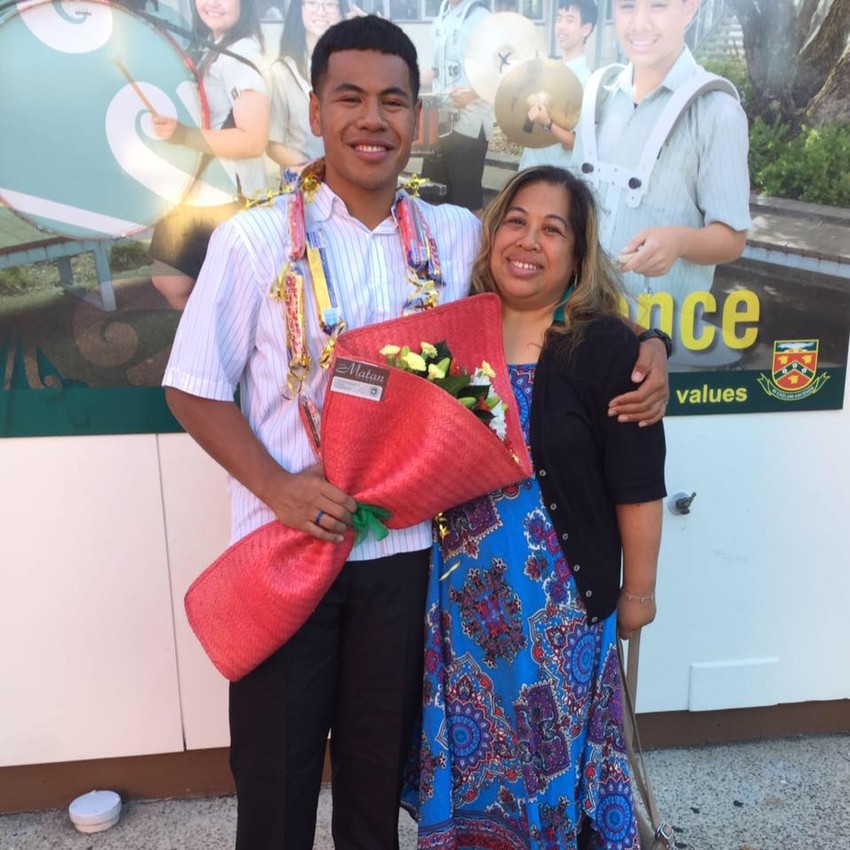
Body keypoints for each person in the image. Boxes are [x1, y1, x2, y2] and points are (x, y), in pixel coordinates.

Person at [163, 15, 666, 850]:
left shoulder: (454, 236)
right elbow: (193, 391)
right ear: (316, 110)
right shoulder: (252, 243)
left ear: (417, 118)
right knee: (275, 793)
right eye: (350, 97)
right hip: (291, 561)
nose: (373, 118)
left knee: (375, 792)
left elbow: (554, 302)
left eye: (393, 100)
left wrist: (651, 346)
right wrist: (280, 488)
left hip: (406, 570)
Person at [403, 165, 666, 849]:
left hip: (562, 622)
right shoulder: (456, 338)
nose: (529, 240)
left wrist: (638, 594)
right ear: (493, 236)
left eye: (554, 229)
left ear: (578, 257)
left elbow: (637, 483)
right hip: (458, 618)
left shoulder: (605, 348)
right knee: (472, 769)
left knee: (550, 774)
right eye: (516, 220)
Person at [571, 0, 750, 360]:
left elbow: (732, 238)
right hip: (583, 328)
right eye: (627, 7)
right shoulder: (599, 96)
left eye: (658, 6)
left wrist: (679, 242)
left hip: (665, 341)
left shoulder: (717, 111)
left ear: (690, 9)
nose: (639, 23)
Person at [149, 0, 271, 310]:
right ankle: (216, 343)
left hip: (227, 195)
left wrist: (183, 135)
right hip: (199, 191)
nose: (212, 3)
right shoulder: (214, 46)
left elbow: (253, 140)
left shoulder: (242, 54)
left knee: (184, 283)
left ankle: (221, 345)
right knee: (174, 281)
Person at [422, 0, 493, 214]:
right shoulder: (440, 16)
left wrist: (472, 94)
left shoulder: (482, 17)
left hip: (469, 123)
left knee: (466, 200)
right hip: (437, 120)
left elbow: (501, 72)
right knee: (430, 193)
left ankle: (474, 247)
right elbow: (434, 71)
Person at [266, 0, 349, 172]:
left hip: (351, 185)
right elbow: (272, 144)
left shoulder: (354, 69)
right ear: (300, 10)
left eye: (330, 5)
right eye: (312, 3)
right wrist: (316, 171)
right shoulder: (282, 72)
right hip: (304, 187)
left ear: (341, 12)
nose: (321, 11)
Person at [519, 0, 597, 172]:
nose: (561, 26)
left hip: (556, 178)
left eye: (569, 20)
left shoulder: (587, 82)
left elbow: (579, 146)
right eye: (558, 19)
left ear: (586, 29)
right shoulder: (550, 71)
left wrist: (548, 123)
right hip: (529, 169)